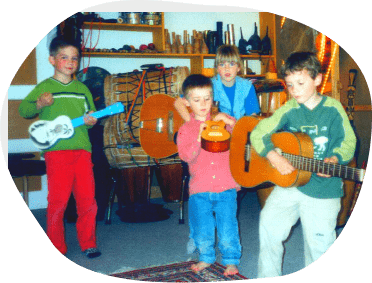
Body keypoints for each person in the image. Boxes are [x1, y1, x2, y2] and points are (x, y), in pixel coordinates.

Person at [250, 51, 357, 278]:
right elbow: (258, 132)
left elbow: (348, 141)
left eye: (300, 83)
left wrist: (336, 158)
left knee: (319, 246)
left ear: (317, 79)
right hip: (291, 184)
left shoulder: (333, 109)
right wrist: (273, 156)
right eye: (290, 85)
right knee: (268, 223)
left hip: (323, 191)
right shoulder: (289, 109)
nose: (295, 90)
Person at [19, 37, 101, 258]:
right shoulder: (45, 87)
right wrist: (39, 104)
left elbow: (91, 116)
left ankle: (88, 243)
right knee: (58, 201)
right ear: (52, 60)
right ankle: (56, 247)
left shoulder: (83, 89)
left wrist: (92, 120)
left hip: (82, 151)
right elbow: (24, 111)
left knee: (88, 200)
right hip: (57, 153)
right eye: (64, 57)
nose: (70, 62)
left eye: (75, 58)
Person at [176, 74, 242, 276]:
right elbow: (186, 156)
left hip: (226, 186)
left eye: (207, 98)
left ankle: (231, 260)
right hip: (200, 188)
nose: (203, 104)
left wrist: (230, 120)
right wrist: (198, 137)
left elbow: (242, 136)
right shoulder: (186, 129)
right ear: (187, 102)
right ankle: (206, 257)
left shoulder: (221, 122)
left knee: (228, 227)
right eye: (197, 100)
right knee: (202, 228)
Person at [174, 44, 260, 121]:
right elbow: (178, 102)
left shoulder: (247, 87)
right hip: (213, 131)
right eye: (222, 64)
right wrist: (190, 122)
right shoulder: (207, 85)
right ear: (217, 68)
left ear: (238, 67)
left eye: (231, 64)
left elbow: (252, 116)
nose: (227, 69)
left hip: (238, 131)